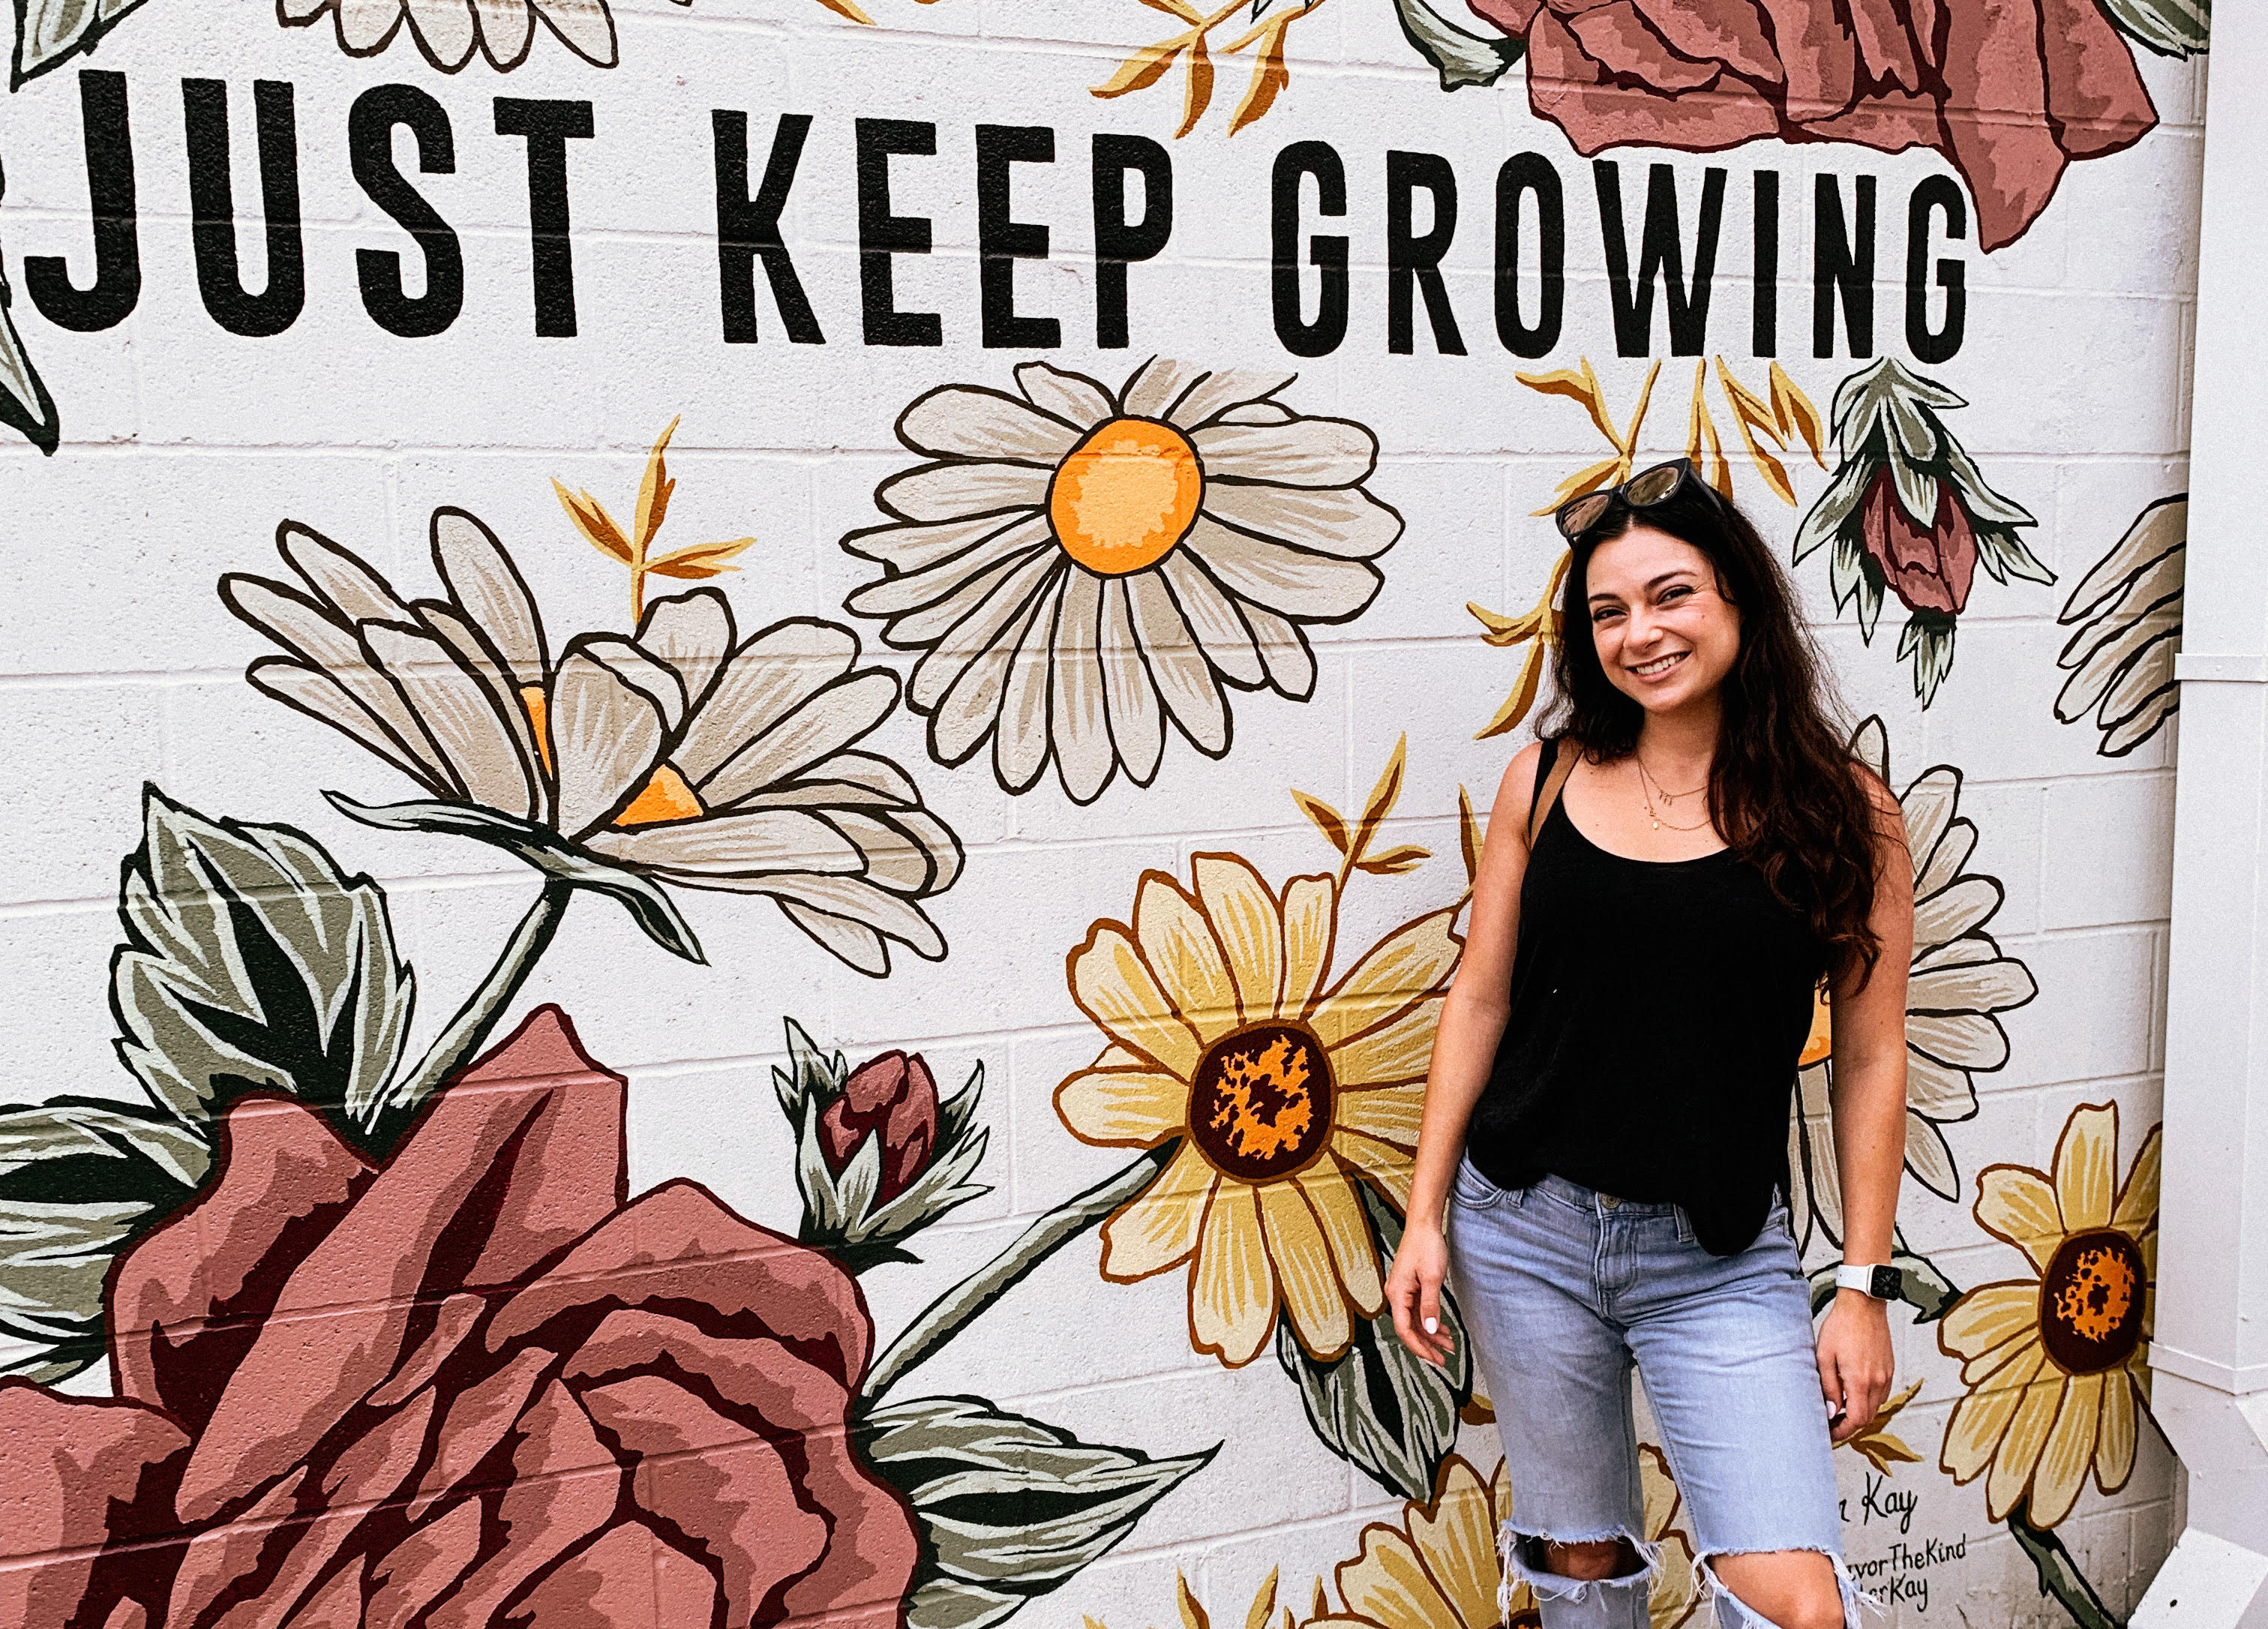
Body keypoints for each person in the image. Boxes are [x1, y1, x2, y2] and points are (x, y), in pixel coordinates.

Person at [1387, 459, 1914, 1629]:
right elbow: (1479, 1001)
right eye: (1608, 611)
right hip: (1525, 1231)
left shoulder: (1845, 813)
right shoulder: (1550, 777)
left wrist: (1863, 1284)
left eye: (1670, 595)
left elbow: (1874, 1058)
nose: (1641, 633)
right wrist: (1425, 1215)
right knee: (1581, 1574)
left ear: (1738, 597)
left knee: (1797, 1602)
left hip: (1718, 1258)